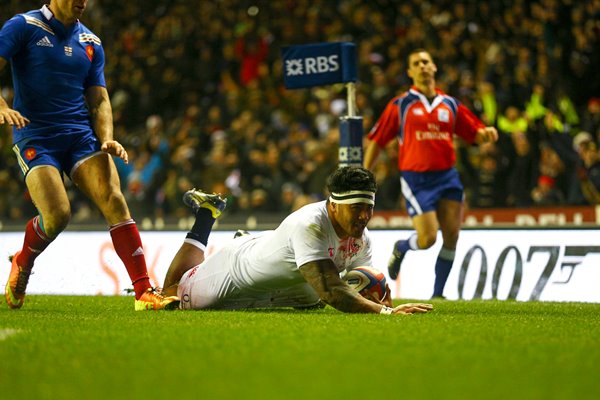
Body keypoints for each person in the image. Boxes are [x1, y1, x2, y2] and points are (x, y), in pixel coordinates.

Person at [0, 1, 178, 310]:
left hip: (81, 136)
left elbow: (99, 99)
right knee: (57, 215)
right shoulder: (22, 27)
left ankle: (143, 292)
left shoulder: (91, 42)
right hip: (36, 135)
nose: (83, 1)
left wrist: (107, 138)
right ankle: (23, 260)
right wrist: (2, 107)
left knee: (114, 199)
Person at [162, 166, 433, 315]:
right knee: (167, 296)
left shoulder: (363, 239)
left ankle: (259, 244)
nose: (364, 216)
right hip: (235, 276)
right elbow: (331, 291)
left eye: (368, 207)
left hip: (287, 292)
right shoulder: (311, 224)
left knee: (310, 293)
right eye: (356, 208)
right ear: (334, 206)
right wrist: (384, 314)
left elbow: (361, 283)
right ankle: (207, 216)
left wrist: (384, 300)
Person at [363, 49, 498, 298]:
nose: (422, 66)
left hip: (447, 176)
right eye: (417, 63)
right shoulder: (400, 105)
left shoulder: (450, 104)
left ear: (434, 67)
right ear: (410, 72)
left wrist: (486, 134)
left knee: (452, 235)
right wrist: (365, 174)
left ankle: (438, 294)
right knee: (427, 239)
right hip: (417, 180)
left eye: (426, 62)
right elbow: (377, 140)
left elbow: (474, 133)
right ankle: (403, 247)